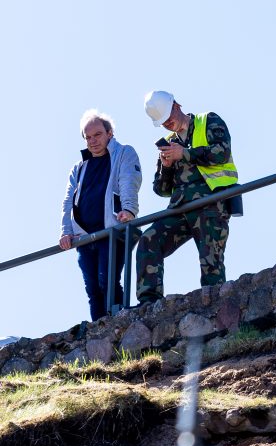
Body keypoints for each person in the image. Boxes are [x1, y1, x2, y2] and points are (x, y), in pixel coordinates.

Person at [136, 91, 238, 304]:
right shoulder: (168, 144)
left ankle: (215, 305)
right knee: (149, 239)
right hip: (180, 207)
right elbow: (161, 189)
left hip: (210, 202)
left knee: (211, 260)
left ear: (177, 105)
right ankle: (148, 303)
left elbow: (222, 152)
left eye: (169, 118)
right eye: (163, 123)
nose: (168, 124)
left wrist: (185, 154)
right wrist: (166, 167)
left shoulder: (208, 120)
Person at [60, 110, 142, 320]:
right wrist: (66, 232)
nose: (92, 141)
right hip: (85, 237)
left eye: (97, 135)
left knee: (108, 280)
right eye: (88, 137)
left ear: (109, 133)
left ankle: (119, 323)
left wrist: (129, 209)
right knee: (93, 289)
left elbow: (128, 181)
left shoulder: (123, 153)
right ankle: (98, 333)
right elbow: (68, 201)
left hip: (112, 231)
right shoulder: (79, 167)